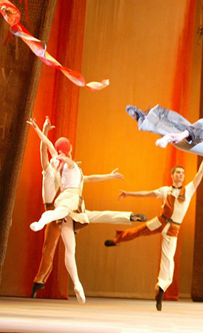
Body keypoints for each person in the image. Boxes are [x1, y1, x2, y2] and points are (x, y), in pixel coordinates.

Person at [29, 117, 146, 299]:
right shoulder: (58, 166)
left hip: (76, 206)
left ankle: (75, 283)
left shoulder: (73, 167)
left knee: (75, 241)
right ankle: (49, 276)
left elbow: (89, 178)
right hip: (64, 203)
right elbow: (47, 147)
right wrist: (41, 131)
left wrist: (109, 175)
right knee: (58, 241)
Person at [104, 157, 203, 311]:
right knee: (138, 231)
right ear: (172, 175)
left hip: (173, 228)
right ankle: (117, 239)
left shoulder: (189, 189)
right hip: (161, 221)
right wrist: (129, 194)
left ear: (184, 176)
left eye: (182, 173)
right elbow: (147, 194)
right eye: (177, 173)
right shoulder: (165, 190)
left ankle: (161, 287)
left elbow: (201, 172)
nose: (180, 175)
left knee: (168, 258)